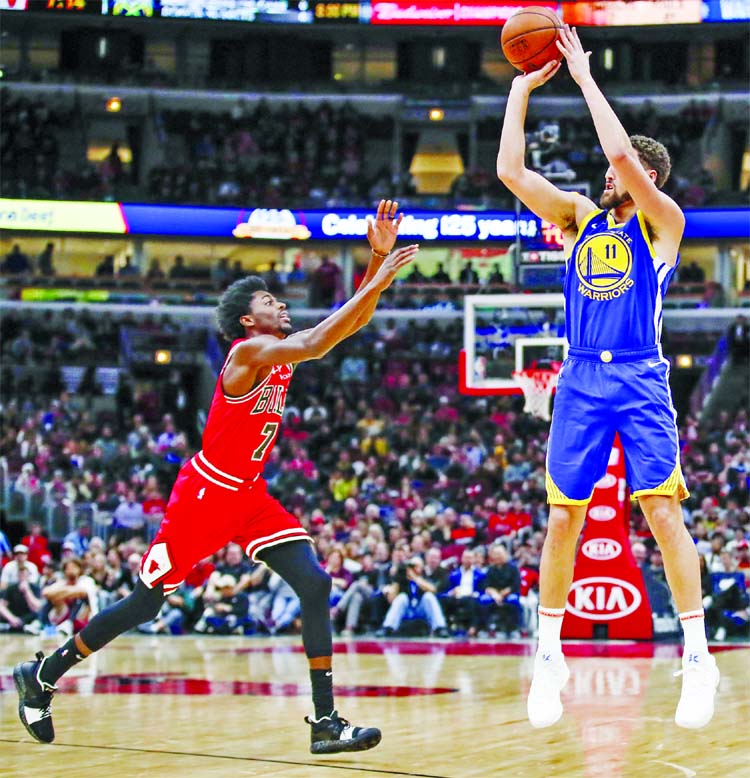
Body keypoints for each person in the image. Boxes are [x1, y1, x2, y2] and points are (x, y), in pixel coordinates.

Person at [13, 199, 418, 753]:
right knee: (145, 603)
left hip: (248, 496)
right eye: (269, 300)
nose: (281, 304)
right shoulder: (249, 353)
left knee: (316, 583)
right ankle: (43, 675)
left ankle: (325, 723)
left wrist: (376, 260)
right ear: (249, 320)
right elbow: (321, 340)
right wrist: (375, 274)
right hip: (205, 495)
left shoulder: (274, 352)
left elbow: (352, 324)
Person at [496, 25, 718, 731]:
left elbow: (620, 149)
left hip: (643, 379)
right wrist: (519, 91)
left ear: (649, 180)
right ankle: (550, 653)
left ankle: (695, 653)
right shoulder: (580, 219)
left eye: (624, 171)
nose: (610, 174)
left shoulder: (664, 224)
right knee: (562, 516)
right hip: (583, 379)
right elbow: (511, 172)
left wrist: (585, 76)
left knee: (660, 512)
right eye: (609, 173)